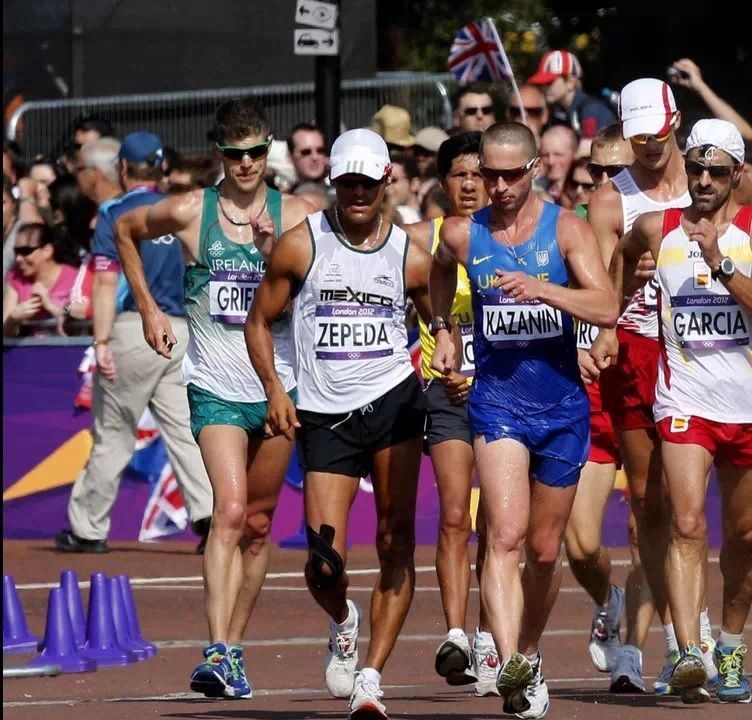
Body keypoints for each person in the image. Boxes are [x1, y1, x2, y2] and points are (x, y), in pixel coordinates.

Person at [111, 99, 315, 700]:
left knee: (257, 524)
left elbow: (328, 280)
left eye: (257, 152)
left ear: (268, 149)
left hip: (279, 387)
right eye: (236, 154)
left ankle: (236, 650)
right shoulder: (190, 210)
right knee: (228, 511)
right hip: (215, 386)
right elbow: (125, 230)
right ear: (220, 154)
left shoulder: (299, 214)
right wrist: (149, 307)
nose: (248, 164)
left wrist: (281, 250)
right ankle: (216, 649)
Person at [429, 121, 619, 718]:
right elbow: (438, 267)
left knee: (542, 551)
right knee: (504, 538)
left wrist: (544, 290)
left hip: (562, 405)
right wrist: (446, 330)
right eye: (490, 174)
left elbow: (607, 304)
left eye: (513, 173)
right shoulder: (465, 234)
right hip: (498, 403)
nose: (501, 185)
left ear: (534, 167)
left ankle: (529, 652)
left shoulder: (568, 228)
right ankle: (510, 662)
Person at [245, 128, 434, 720]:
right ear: (334, 184)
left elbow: (442, 321)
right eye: (346, 182)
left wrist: (448, 351)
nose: (356, 192)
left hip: (394, 405)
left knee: (394, 539)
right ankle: (344, 620)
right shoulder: (302, 246)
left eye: (366, 183)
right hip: (325, 415)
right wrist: (276, 389)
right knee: (323, 563)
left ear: (385, 183)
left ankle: (372, 678)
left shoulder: (410, 254)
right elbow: (259, 322)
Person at [608, 118, 752, 705]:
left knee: (745, 533)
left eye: (716, 171)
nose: (704, 181)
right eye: (696, 169)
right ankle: (688, 650)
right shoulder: (657, 227)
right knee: (684, 523)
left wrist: (721, 262)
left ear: (737, 174)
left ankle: (730, 644)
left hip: (749, 403)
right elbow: (621, 253)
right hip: (682, 399)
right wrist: (613, 312)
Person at [587, 78, 706, 696]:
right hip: (636, 352)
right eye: (637, 137)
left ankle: (701, 632)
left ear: (677, 121)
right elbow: (601, 297)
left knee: (696, 513)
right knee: (649, 506)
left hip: (705, 348)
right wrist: (625, 279)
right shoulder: (612, 201)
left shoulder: (711, 180)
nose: (649, 147)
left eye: (658, 134)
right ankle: (679, 639)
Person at [56, 132, 213, 554]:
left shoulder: (114, 212)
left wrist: (101, 340)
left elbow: (107, 282)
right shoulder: (180, 209)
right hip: (182, 329)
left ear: (123, 168)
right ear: (161, 168)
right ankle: (211, 514)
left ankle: (87, 528)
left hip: (136, 327)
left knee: (114, 431)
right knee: (184, 429)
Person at [410, 131, 495, 695]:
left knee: (498, 525)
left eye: (478, 174)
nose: (470, 185)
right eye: (459, 175)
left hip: (503, 391)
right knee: (453, 516)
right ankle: (458, 634)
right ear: (442, 183)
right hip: (443, 391)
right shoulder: (418, 240)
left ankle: (493, 637)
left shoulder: (510, 237)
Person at [562, 123, 633, 684]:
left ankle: (654, 646)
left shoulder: (664, 224)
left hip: (653, 389)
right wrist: (572, 349)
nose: (607, 183)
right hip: (590, 397)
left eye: (619, 171)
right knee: (582, 541)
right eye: (598, 173)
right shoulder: (566, 233)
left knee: (661, 529)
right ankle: (609, 600)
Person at [2, 223, 79, 337]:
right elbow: (6, 335)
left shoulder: (74, 278)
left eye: (25, 251)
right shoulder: (15, 278)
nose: (18, 258)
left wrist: (50, 305)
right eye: (16, 252)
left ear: (47, 250)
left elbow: (81, 322)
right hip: (29, 351)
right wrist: (13, 319)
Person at [528, 50, 617, 139]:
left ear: (570, 83)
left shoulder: (590, 110)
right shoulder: (559, 112)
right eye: (541, 84)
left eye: (549, 83)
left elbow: (586, 150)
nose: (544, 88)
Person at [539, 125, 579, 203]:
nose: (551, 161)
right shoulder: (535, 188)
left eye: (558, 154)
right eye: (545, 155)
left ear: (575, 154)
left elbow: (585, 214)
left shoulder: (584, 188)